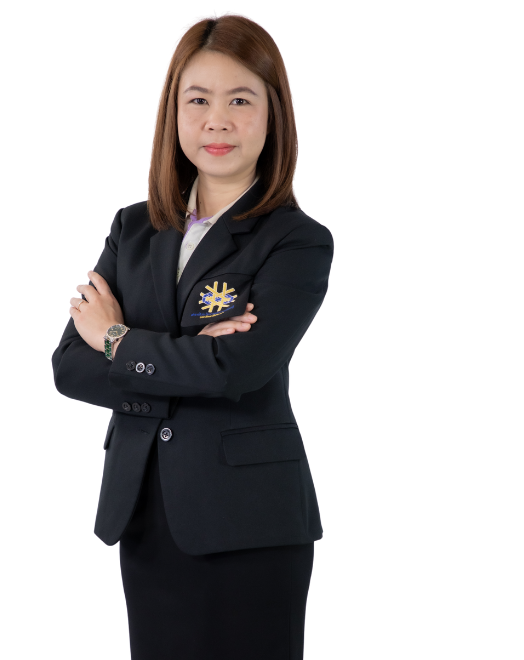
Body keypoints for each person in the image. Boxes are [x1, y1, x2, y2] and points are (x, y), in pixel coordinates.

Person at [51, 14, 333, 660]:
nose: (217, 121)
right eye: (198, 100)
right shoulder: (133, 231)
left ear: (274, 114)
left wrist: (116, 337)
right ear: (173, 113)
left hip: (250, 523)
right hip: (145, 513)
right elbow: (68, 365)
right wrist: (192, 356)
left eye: (241, 100)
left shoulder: (296, 242)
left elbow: (237, 369)